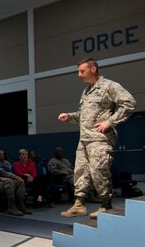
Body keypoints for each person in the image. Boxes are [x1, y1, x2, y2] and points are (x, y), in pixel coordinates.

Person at [58, 58, 136, 219]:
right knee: (80, 172)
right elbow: (83, 115)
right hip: (84, 139)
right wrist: (70, 116)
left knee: (99, 172)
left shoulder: (109, 86)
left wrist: (110, 122)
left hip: (100, 139)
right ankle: (79, 204)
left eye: (82, 71)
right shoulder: (86, 91)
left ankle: (106, 205)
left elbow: (129, 103)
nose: (79, 75)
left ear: (93, 69)